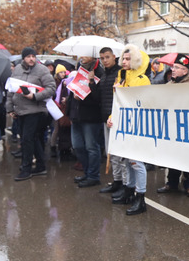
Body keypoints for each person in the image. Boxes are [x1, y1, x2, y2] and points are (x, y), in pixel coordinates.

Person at [107, 44, 152, 215]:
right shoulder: (122, 77)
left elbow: (142, 104)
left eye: (128, 59)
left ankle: (140, 197)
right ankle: (129, 192)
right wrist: (112, 118)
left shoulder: (142, 79)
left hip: (137, 128)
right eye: (123, 59)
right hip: (123, 126)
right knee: (126, 161)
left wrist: (123, 91)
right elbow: (118, 105)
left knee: (136, 163)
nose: (124, 62)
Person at [7, 47, 56, 181]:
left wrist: (35, 96)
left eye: (33, 56)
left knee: (27, 139)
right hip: (20, 110)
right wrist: (10, 107)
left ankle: (26, 168)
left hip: (36, 110)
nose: (31, 59)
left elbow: (51, 88)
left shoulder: (42, 70)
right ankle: (40, 166)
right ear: (23, 58)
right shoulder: (17, 69)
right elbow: (11, 89)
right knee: (32, 138)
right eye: (28, 56)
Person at [65, 52, 112, 187]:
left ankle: (93, 175)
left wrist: (84, 95)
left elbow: (100, 98)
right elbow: (72, 94)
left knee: (91, 147)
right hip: (77, 115)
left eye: (86, 54)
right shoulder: (80, 69)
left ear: (93, 56)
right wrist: (70, 112)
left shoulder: (99, 72)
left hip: (91, 116)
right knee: (78, 146)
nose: (82, 56)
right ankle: (87, 172)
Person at [156, 54, 189, 197]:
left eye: (177, 68)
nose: (173, 70)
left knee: (188, 157)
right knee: (173, 155)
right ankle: (172, 183)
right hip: (173, 126)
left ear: (185, 71)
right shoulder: (170, 84)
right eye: (173, 67)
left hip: (187, 127)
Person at [99, 47, 125, 195]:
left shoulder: (120, 73)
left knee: (119, 153)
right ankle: (117, 181)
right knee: (111, 152)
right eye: (102, 58)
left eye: (107, 57)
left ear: (114, 57)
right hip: (106, 118)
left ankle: (123, 184)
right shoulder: (104, 75)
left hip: (117, 118)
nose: (105, 60)